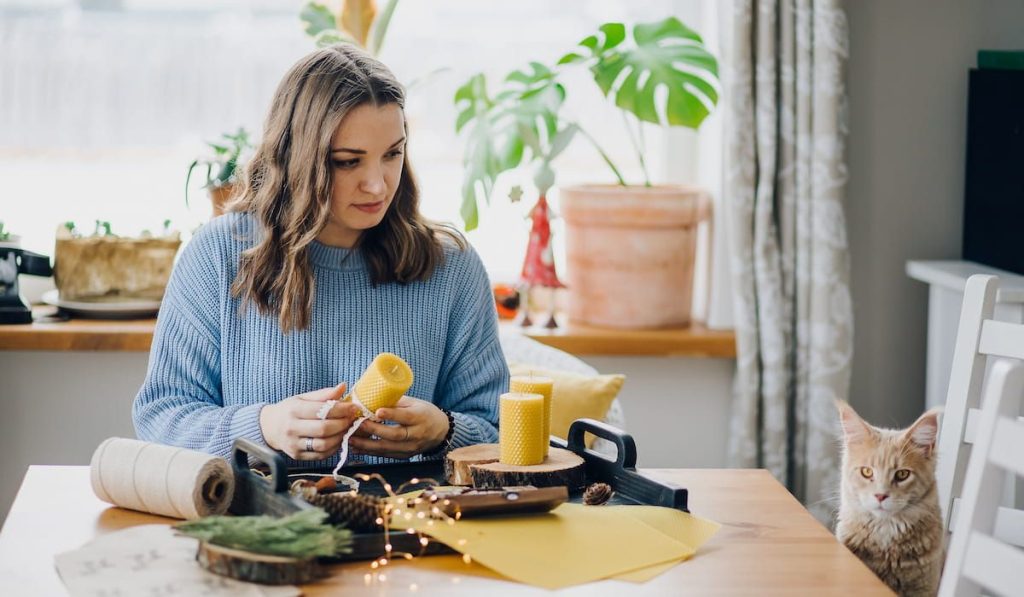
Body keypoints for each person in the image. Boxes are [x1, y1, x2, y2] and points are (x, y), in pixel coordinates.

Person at [133, 44, 507, 469]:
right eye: (348, 162)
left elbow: (497, 430)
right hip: (260, 526)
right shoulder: (218, 256)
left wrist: (444, 432)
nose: (378, 185)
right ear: (296, 158)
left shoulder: (452, 266)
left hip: (410, 524)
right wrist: (263, 427)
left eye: (392, 154)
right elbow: (159, 418)